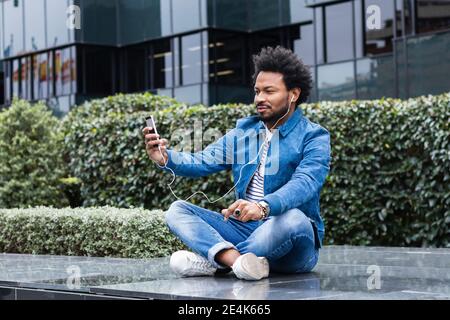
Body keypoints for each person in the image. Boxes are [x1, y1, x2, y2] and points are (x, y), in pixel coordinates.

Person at [143, 46, 331, 281]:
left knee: (293, 218)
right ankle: (237, 262)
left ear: (293, 94)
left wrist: (263, 207)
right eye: (257, 91)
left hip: (292, 242)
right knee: (177, 210)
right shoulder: (245, 132)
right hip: (246, 227)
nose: (259, 99)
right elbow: (204, 159)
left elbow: (305, 183)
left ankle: (218, 262)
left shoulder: (314, 136)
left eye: (269, 91)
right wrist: (166, 158)